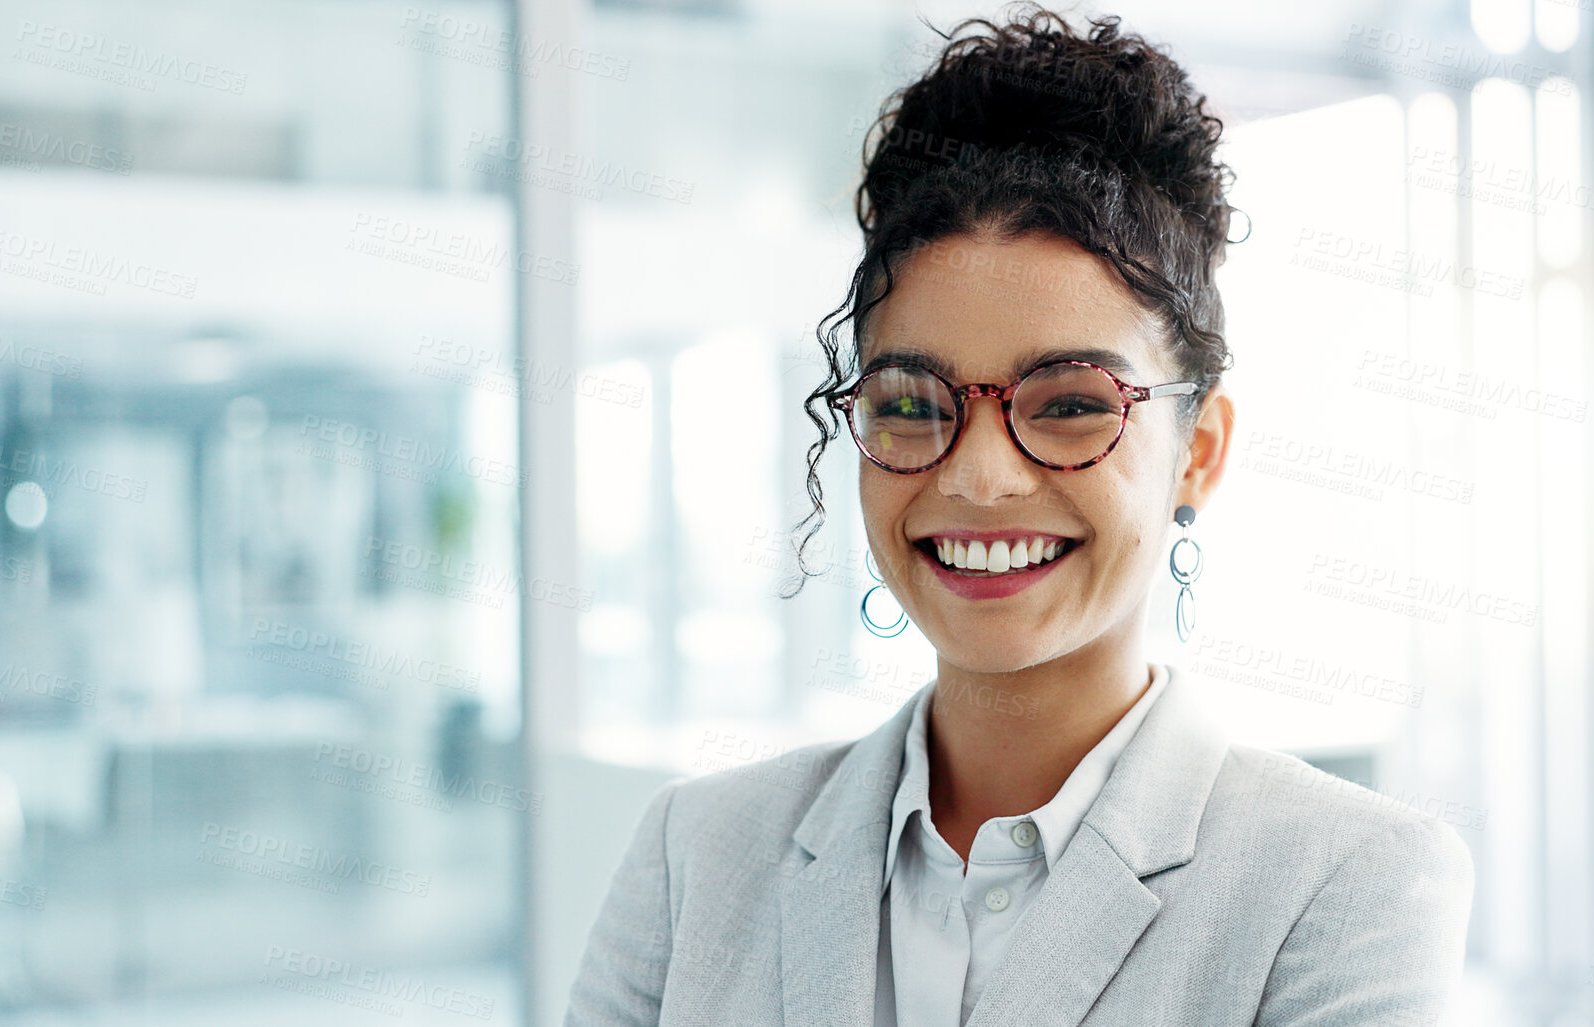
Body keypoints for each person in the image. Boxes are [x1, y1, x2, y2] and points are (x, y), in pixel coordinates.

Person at [565, 6, 1473, 1024]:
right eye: (913, 403)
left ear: (1198, 453)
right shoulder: (696, 853)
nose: (981, 476)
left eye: (1074, 403)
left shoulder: (1345, 885)